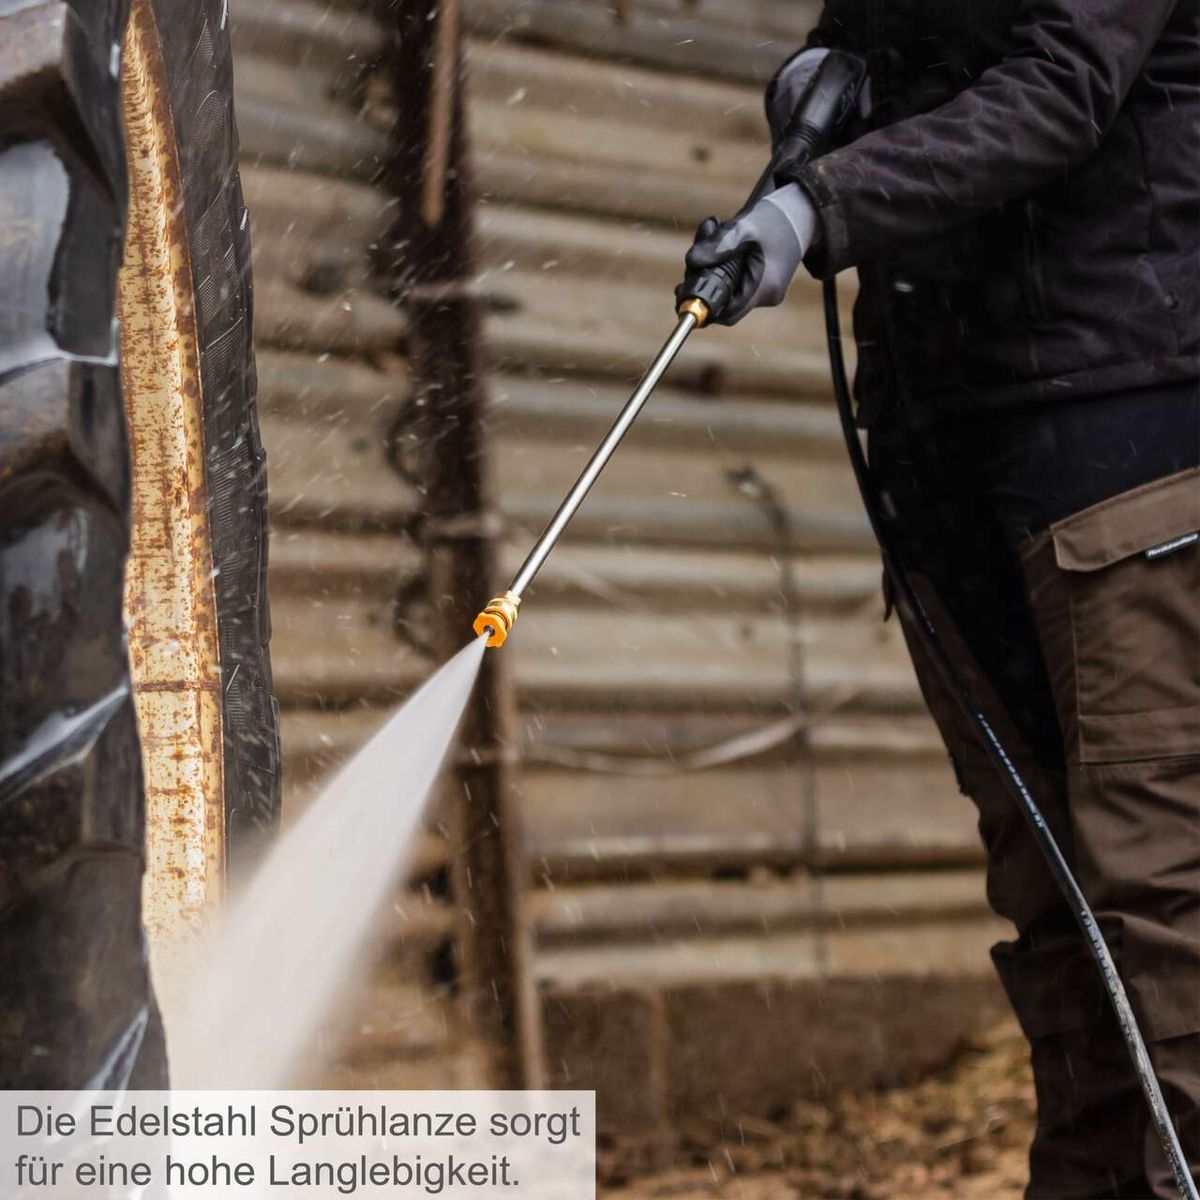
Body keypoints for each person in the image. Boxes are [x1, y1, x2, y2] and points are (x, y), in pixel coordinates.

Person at [680, 2, 1200, 1196]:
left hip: (1114, 443)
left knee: (1164, 896)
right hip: (938, 450)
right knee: (1059, 917)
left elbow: (1065, 82)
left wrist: (822, 202)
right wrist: (831, 76)